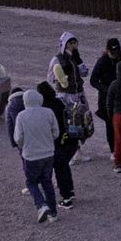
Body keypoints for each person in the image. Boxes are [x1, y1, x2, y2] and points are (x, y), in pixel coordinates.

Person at [14, 87, 62, 222]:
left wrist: (23, 146)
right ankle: (53, 212)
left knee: (31, 182)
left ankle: (41, 205)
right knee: (47, 181)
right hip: (48, 153)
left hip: (31, 155)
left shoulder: (21, 116)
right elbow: (56, 133)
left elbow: (18, 138)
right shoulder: (48, 112)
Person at [40, 82, 82, 210]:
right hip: (69, 139)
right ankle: (70, 191)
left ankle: (66, 198)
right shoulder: (59, 102)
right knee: (64, 167)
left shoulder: (45, 108)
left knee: (59, 170)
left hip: (57, 142)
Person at [89, 38, 121, 154]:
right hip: (106, 99)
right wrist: (107, 89)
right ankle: (113, 151)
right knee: (110, 125)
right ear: (107, 51)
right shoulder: (102, 61)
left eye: (117, 53)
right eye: (112, 53)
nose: (115, 56)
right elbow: (93, 80)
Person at [50, 32, 86, 96]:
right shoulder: (57, 59)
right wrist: (61, 75)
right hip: (64, 94)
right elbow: (50, 78)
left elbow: (84, 73)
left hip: (79, 93)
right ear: (64, 45)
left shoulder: (76, 57)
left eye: (74, 43)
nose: (73, 45)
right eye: (70, 43)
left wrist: (79, 61)